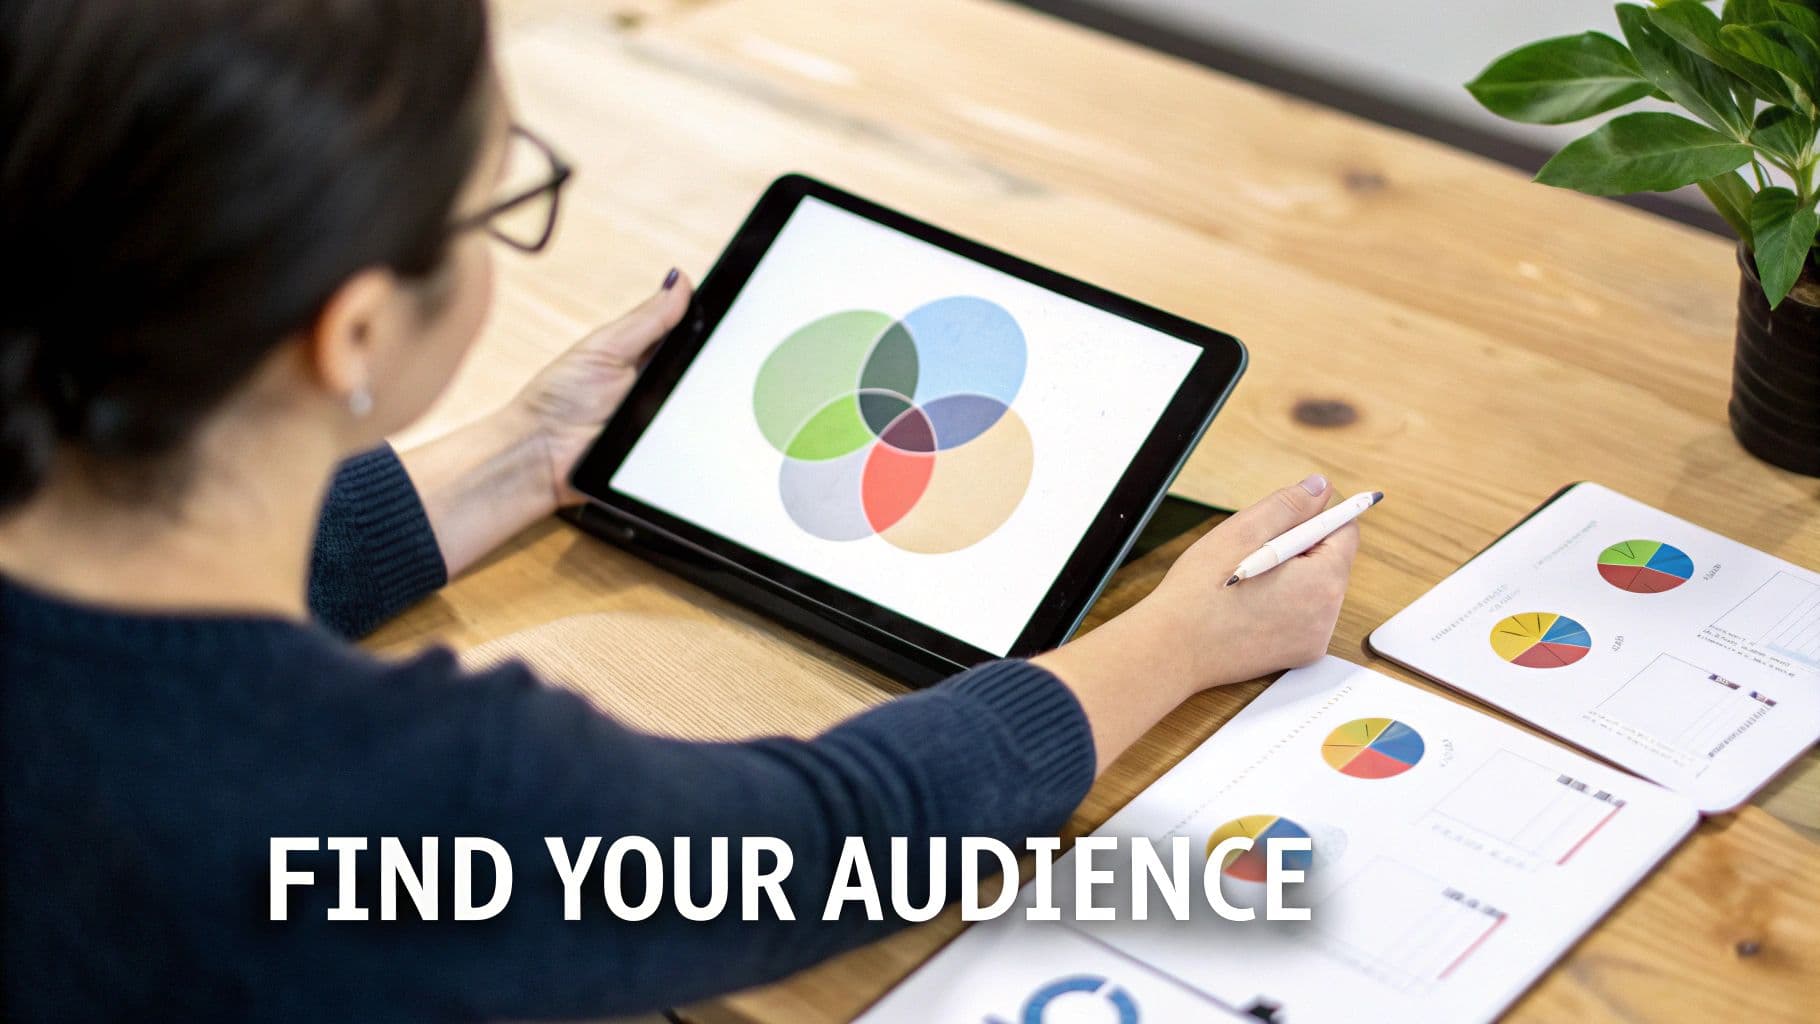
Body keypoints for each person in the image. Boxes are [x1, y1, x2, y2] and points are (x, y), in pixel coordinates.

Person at [0, 1, 1358, 1020]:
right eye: (495, 202)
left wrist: (529, 452)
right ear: (352, 330)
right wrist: (1178, 641)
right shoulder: (403, 801)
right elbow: (820, 845)